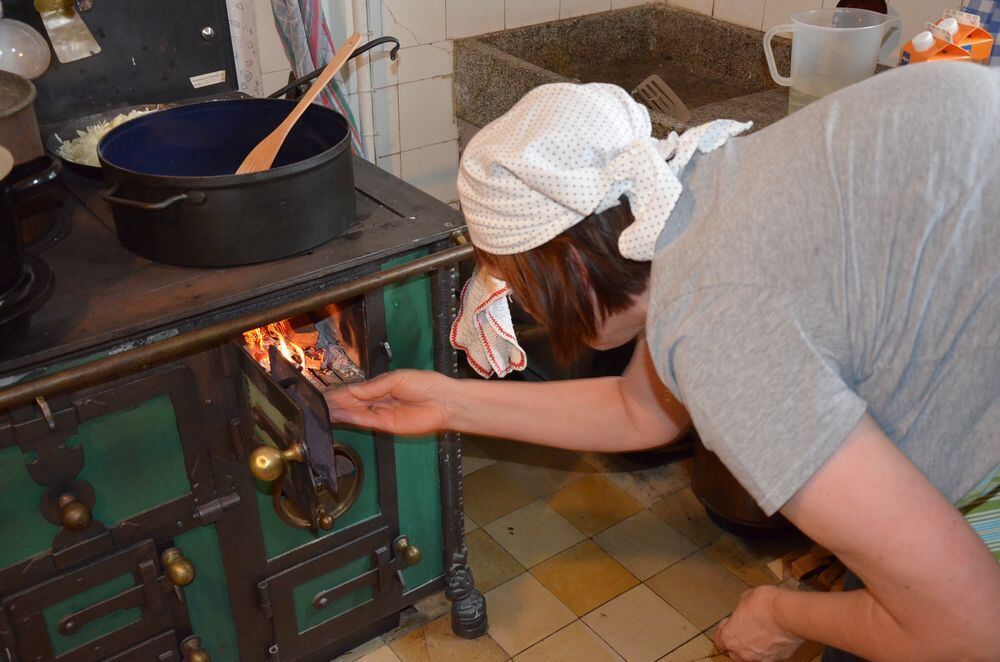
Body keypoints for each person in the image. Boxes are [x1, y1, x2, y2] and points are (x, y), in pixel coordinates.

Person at [326, 61, 1000, 661]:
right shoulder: (713, 194)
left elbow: (969, 627)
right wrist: (448, 400)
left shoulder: (716, 319)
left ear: (572, 276)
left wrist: (780, 613)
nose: (520, 305)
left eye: (516, 285)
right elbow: (637, 410)